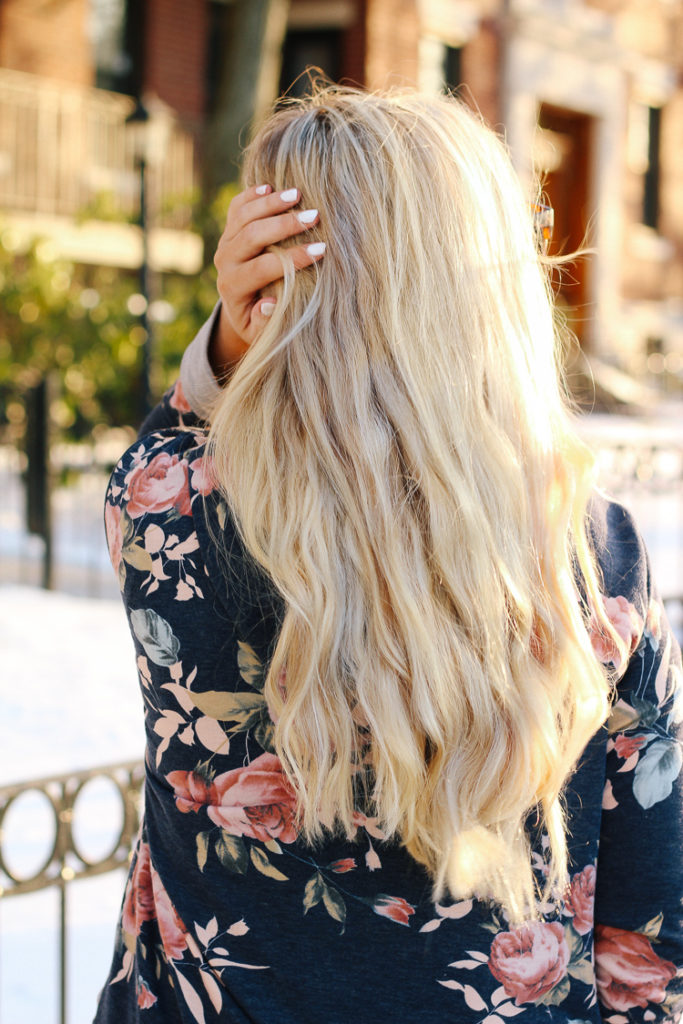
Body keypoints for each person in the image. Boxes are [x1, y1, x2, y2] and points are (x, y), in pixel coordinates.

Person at [94, 85, 682, 1024]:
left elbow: (177, 442)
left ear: (280, 283)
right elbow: (646, 932)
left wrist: (230, 344)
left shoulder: (169, 518)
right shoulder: (592, 554)